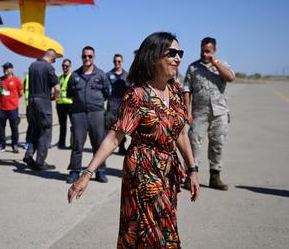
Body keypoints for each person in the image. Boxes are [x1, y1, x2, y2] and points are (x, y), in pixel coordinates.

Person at [68, 32, 199, 248]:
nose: (178, 58)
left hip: (167, 171)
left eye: (180, 53)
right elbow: (114, 137)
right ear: (154, 57)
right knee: (153, 231)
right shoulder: (137, 95)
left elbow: (181, 134)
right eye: (172, 53)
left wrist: (192, 169)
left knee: (160, 228)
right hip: (143, 171)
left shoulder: (175, 91)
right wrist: (87, 173)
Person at [183, 36, 235, 190]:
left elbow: (230, 77)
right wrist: (187, 112)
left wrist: (215, 63)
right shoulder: (193, 68)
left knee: (217, 145)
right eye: (202, 50)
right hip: (199, 113)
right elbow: (186, 90)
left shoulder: (222, 65)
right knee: (193, 145)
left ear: (214, 51)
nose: (204, 54)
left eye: (208, 51)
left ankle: (215, 177)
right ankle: (190, 176)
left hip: (219, 113)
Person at [65, 46, 111, 184]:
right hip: (79, 114)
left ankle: (100, 171)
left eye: (90, 56)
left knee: (98, 143)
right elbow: (70, 93)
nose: (87, 58)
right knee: (77, 143)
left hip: (96, 114)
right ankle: (74, 171)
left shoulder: (101, 75)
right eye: (85, 56)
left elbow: (107, 92)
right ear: (81, 57)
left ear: (94, 57)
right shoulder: (74, 76)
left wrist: (96, 104)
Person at [22, 49, 60, 171]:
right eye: (54, 60)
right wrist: (55, 97)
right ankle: (40, 162)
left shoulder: (32, 65)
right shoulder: (48, 67)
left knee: (35, 130)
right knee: (45, 132)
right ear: (52, 58)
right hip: (43, 102)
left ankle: (28, 156)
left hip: (31, 102)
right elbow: (57, 87)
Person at [105, 54, 129, 155]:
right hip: (112, 105)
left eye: (119, 61)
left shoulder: (127, 75)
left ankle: (122, 147)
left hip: (123, 105)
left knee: (121, 128)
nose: (117, 63)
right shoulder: (108, 75)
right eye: (115, 61)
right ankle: (108, 148)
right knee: (109, 127)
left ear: (122, 62)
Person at [0, 62, 23, 153]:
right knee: (1, 128)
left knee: (14, 128)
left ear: (11, 69)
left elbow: (20, 94)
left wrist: (13, 100)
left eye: (7, 68)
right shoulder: (0, 80)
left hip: (13, 109)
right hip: (1, 108)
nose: (5, 70)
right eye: (4, 68)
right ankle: (2, 144)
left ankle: (15, 144)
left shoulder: (16, 80)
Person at [54, 58, 73, 149]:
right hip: (60, 104)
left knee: (74, 125)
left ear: (70, 66)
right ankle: (61, 143)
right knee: (62, 125)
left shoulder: (72, 77)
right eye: (63, 66)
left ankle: (73, 143)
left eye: (66, 66)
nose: (64, 67)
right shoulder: (59, 78)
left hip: (70, 104)